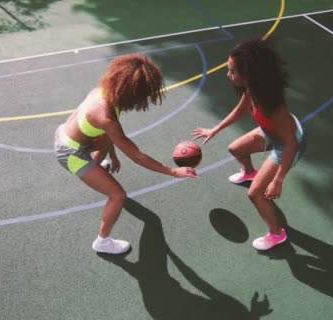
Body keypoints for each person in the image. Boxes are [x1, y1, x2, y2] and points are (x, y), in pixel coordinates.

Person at [54, 54, 198, 255]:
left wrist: (111, 155)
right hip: (71, 153)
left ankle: (97, 169)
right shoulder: (106, 116)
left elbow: (104, 135)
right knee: (118, 195)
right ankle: (102, 241)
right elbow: (137, 156)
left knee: (104, 142)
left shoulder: (103, 91)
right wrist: (173, 171)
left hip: (72, 135)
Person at [192, 39, 306, 251]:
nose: (228, 75)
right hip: (271, 132)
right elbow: (241, 109)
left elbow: (290, 144)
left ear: (249, 75)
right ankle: (250, 172)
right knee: (235, 148)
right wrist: (215, 129)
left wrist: (278, 180)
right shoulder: (251, 89)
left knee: (255, 194)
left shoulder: (273, 105)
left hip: (288, 143)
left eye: (232, 71)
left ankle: (277, 234)